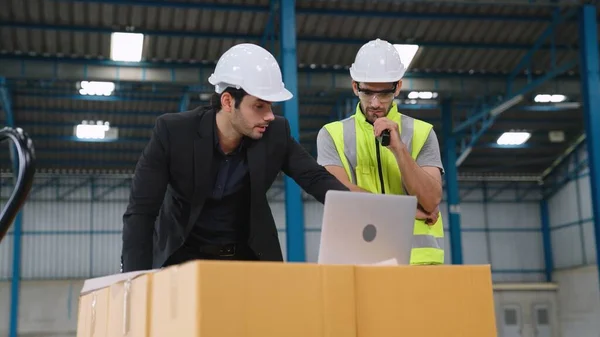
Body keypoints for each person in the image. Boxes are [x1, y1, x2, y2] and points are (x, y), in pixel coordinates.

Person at [121, 43, 349, 272]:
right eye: (259, 106)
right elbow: (141, 211)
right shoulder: (173, 133)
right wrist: (133, 278)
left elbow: (315, 178)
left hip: (246, 259)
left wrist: (357, 211)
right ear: (228, 101)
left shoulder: (275, 134)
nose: (269, 116)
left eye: (270, 105)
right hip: (182, 259)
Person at [316, 38, 445, 265]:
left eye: (384, 93)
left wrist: (399, 149)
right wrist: (405, 212)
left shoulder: (422, 133)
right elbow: (338, 196)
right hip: (358, 260)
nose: (375, 103)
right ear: (355, 86)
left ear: (398, 87)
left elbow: (431, 200)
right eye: (367, 92)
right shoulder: (332, 135)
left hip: (419, 264)